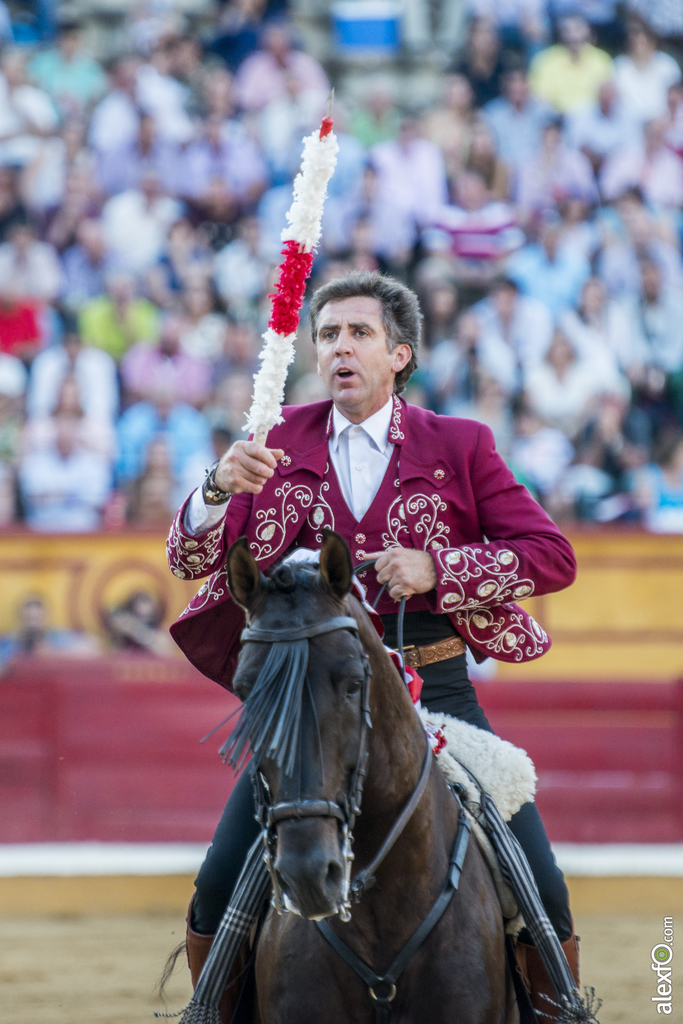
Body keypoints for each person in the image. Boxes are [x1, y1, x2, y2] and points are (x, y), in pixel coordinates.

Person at [166, 271, 580, 1019]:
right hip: (309, 708)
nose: (339, 348)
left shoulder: (459, 444)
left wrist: (439, 568)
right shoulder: (270, 441)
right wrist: (216, 487)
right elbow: (189, 561)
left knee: (541, 888)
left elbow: (551, 555)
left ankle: (559, 1011)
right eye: (326, 335)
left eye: (357, 333)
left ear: (399, 354)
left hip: (439, 701)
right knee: (218, 884)